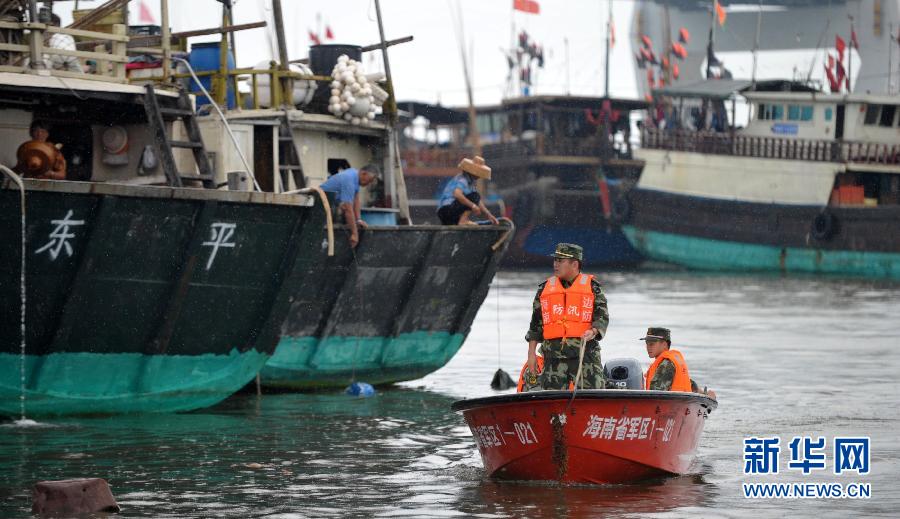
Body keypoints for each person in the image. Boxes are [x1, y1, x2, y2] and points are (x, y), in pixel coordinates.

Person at [525, 243, 610, 390]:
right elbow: (536, 325)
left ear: (574, 264)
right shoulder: (544, 289)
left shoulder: (593, 287)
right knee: (552, 403)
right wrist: (531, 355)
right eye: (555, 260)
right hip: (553, 358)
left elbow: (602, 317)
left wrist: (594, 331)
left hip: (585, 356)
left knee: (592, 398)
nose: (555, 265)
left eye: (560, 261)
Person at [642, 327, 716, 398]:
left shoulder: (666, 364)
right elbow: (689, 383)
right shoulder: (671, 361)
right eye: (647, 344)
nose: (648, 347)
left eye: (652, 344)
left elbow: (655, 394)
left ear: (664, 345)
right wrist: (705, 394)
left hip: (666, 406)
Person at [319, 163, 380, 248]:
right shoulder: (349, 180)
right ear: (364, 173)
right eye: (368, 181)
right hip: (319, 204)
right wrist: (355, 234)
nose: (368, 184)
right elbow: (348, 209)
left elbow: (356, 200)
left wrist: (358, 220)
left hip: (330, 204)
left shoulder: (355, 174)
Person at [437, 155, 498, 226]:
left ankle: (462, 221)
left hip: (446, 213)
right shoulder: (463, 180)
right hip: (446, 210)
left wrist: (488, 214)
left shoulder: (470, 183)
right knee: (475, 196)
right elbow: (457, 194)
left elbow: (478, 201)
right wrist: (473, 206)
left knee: (475, 196)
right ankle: (463, 220)